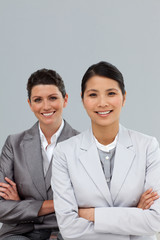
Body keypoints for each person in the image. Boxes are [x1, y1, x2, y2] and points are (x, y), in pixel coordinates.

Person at [51, 61, 160, 240]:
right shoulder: (64, 152)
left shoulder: (148, 146)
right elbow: (69, 227)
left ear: (124, 98)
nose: (102, 103)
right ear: (83, 100)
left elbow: (155, 220)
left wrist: (90, 214)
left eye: (111, 93)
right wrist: (134, 216)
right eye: (93, 94)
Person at [0, 69, 79, 240]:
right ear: (29, 104)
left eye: (52, 98)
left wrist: (22, 205)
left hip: (67, 233)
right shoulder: (14, 144)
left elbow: (91, 204)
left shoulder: (82, 144)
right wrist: (60, 204)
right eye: (38, 100)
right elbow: (1, 208)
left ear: (65, 100)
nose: (46, 106)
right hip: (20, 233)